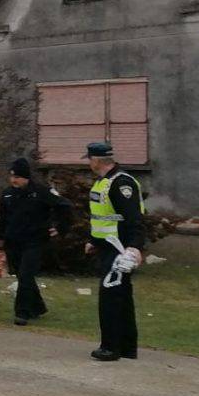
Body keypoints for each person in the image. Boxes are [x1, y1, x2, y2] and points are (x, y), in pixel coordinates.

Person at [85, 141, 146, 362]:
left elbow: (134, 219)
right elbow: (103, 216)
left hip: (119, 250)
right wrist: (93, 240)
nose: (89, 163)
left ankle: (111, 347)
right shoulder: (103, 182)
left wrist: (134, 248)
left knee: (111, 297)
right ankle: (127, 347)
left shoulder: (121, 183)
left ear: (97, 160)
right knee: (121, 297)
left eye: (90, 159)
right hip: (107, 247)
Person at [0, 157, 72, 326]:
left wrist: (60, 227)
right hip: (13, 241)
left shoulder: (40, 192)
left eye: (18, 177)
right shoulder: (8, 193)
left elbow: (64, 206)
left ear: (26, 177)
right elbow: (3, 217)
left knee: (26, 274)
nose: (14, 180)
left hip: (35, 241)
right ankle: (38, 307)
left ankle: (22, 313)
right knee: (22, 276)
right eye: (12, 176)